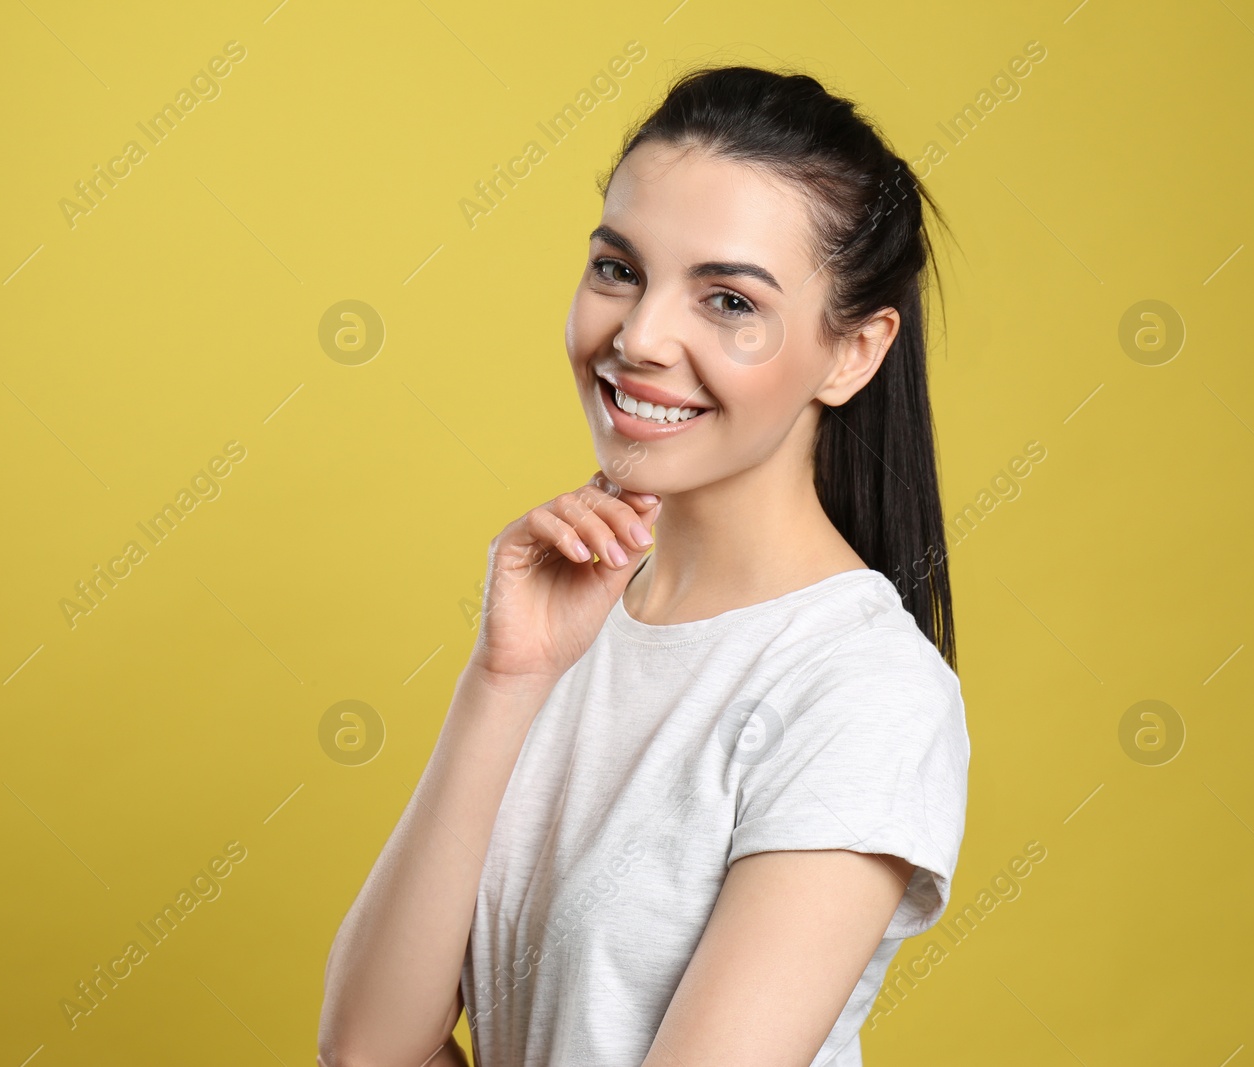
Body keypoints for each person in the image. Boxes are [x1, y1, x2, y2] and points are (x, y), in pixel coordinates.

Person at [319, 63, 970, 1067]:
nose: (638, 337)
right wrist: (506, 677)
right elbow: (367, 1045)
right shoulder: (568, 618)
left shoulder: (862, 690)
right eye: (619, 269)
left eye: (725, 299)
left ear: (852, 352)